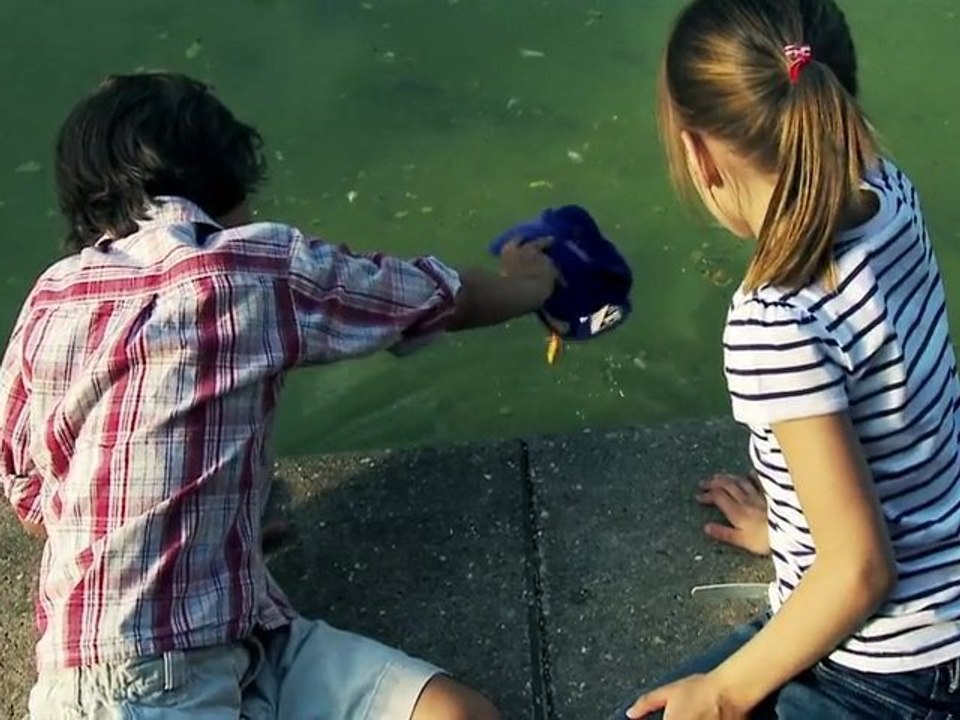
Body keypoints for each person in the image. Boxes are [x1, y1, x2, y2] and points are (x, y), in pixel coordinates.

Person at [0, 72, 559, 720]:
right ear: (229, 184)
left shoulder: (51, 299)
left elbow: (25, 479)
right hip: (134, 688)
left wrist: (205, 529)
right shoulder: (253, 266)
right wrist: (529, 288)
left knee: (457, 712)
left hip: (230, 638)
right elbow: (430, 298)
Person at [615, 0, 960, 717]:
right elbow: (898, 424)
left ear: (698, 153)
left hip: (893, 673)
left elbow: (861, 570)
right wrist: (796, 531)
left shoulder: (777, 320)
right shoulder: (888, 191)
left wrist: (724, 692)